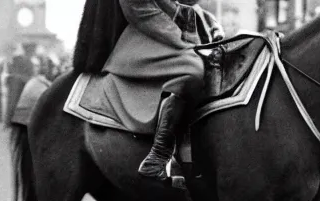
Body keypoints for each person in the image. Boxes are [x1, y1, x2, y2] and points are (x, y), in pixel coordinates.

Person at [73, 0, 224, 182]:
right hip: (143, 36)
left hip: (168, 34)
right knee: (193, 70)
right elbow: (139, 10)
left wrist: (206, 20)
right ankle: (158, 157)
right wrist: (184, 38)